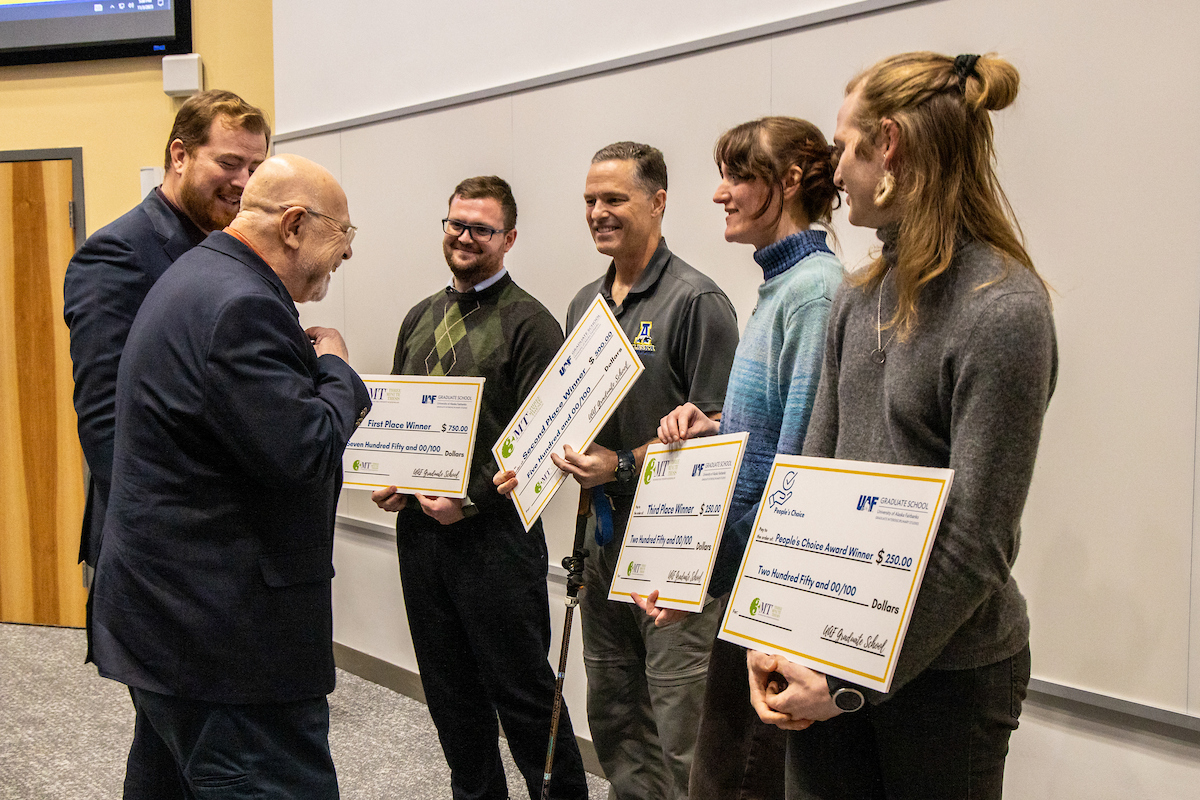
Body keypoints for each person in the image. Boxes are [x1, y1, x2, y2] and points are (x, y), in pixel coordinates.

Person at [746, 52, 1057, 799]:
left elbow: (976, 542)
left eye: (846, 147)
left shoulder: (1004, 311)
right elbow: (807, 486)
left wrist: (849, 681)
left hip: (948, 677)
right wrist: (778, 632)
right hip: (830, 660)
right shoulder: (856, 300)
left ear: (890, 146)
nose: (837, 172)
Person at [89, 153, 369, 799]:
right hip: (225, 646)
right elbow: (305, 451)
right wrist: (336, 368)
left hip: (168, 627)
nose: (346, 255)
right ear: (295, 224)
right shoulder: (242, 305)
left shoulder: (197, 274)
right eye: (342, 236)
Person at [501, 141, 739, 800]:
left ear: (658, 202)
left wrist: (623, 467)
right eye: (590, 201)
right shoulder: (586, 303)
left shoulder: (698, 301)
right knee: (613, 714)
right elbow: (577, 423)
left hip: (674, 554)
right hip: (600, 545)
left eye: (615, 199)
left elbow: (720, 439)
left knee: (681, 726)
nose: (599, 213)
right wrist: (531, 463)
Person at [371, 176, 589, 800]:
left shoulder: (531, 325)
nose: (465, 237)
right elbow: (403, 423)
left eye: (481, 229)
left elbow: (548, 451)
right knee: (451, 702)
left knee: (523, 700)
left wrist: (470, 501)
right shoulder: (419, 317)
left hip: (497, 547)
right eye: (455, 224)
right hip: (422, 542)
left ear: (509, 238)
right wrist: (395, 480)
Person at [654, 117, 845, 800]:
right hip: (750, 593)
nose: (719, 193)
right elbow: (766, 445)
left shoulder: (815, 294)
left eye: (738, 174)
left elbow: (794, 477)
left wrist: (696, 573)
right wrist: (715, 430)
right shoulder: (782, 288)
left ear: (788, 182)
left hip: (772, 606)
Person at [64, 88, 270, 570]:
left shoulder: (234, 247)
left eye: (256, 168)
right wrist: (163, 540)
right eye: (229, 163)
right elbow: (104, 417)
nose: (244, 181)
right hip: (152, 543)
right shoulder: (118, 254)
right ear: (180, 155)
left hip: (218, 533)